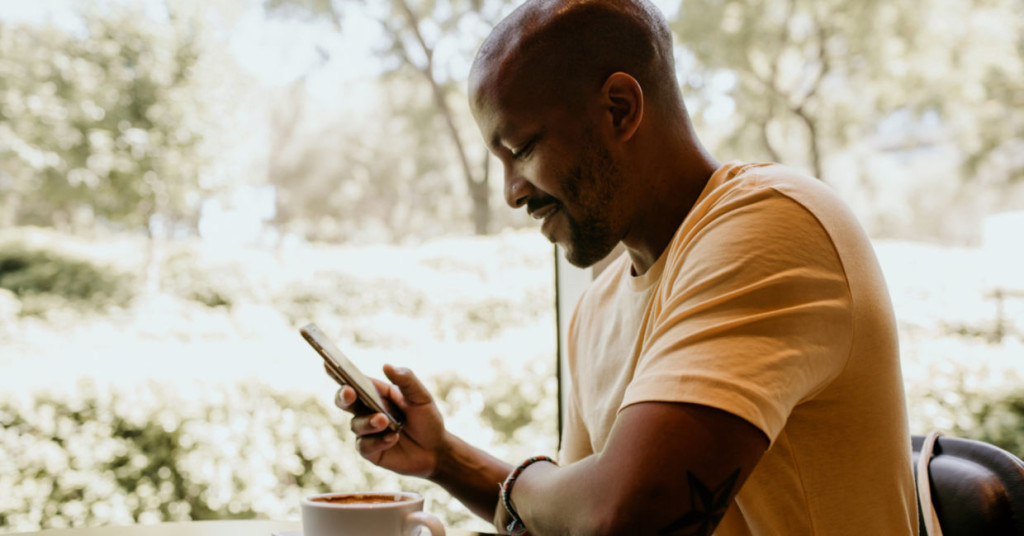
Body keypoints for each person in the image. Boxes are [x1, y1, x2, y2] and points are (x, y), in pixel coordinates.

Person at [333, 0, 919, 534]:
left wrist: (531, 489)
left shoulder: (773, 225)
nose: (512, 193)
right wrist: (444, 458)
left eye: (523, 150)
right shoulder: (598, 304)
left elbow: (626, 515)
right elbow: (572, 518)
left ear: (619, 108)